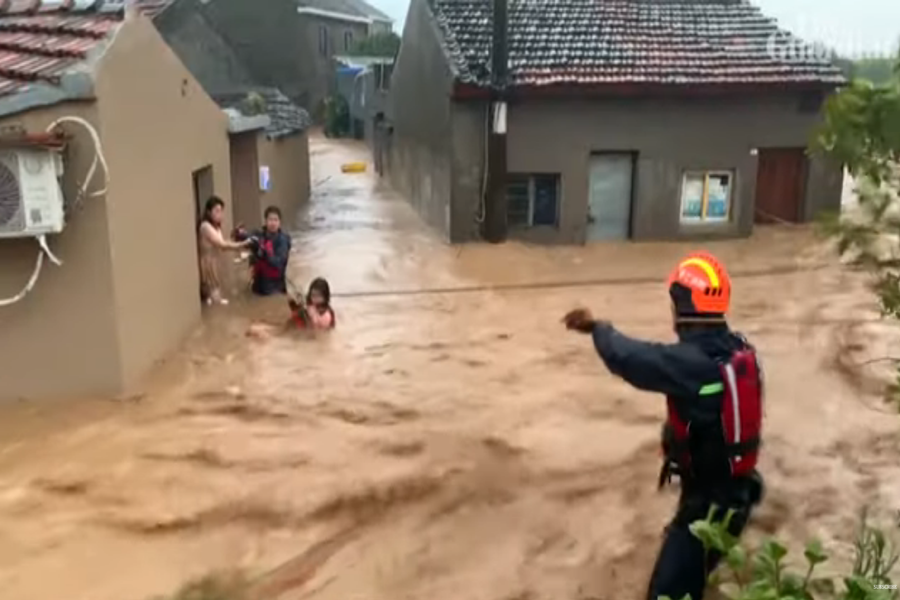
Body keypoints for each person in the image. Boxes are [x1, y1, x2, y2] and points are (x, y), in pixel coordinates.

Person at [562, 252, 764, 600]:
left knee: (665, 595)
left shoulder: (693, 365)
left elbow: (629, 358)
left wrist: (598, 328)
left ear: (680, 305)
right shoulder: (737, 349)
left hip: (709, 506)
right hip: (737, 494)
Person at [198, 196, 250, 305]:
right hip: (208, 264)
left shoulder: (216, 227)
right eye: (217, 211)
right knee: (215, 299)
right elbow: (222, 245)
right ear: (208, 212)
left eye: (221, 211)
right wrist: (243, 244)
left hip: (216, 262)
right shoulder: (205, 226)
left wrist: (235, 236)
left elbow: (224, 242)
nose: (220, 214)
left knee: (217, 295)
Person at [246, 277, 335, 339]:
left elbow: (315, 332)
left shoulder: (326, 315)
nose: (315, 298)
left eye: (318, 296)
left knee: (275, 334)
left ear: (325, 296)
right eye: (313, 295)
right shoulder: (311, 305)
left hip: (299, 331)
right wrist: (294, 302)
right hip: (293, 325)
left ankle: (260, 332)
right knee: (272, 329)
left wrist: (310, 315)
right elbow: (299, 312)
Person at [241, 206, 292, 296]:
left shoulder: (283, 240)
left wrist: (265, 253)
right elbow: (247, 238)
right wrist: (240, 234)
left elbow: (279, 263)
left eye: (275, 220)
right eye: (270, 220)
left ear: (280, 223)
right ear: (265, 221)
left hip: (275, 287)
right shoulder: (259, 235)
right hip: (258, 284)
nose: (273, 223)